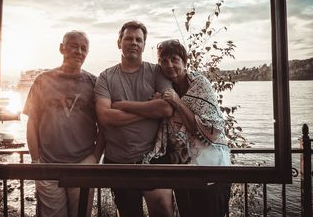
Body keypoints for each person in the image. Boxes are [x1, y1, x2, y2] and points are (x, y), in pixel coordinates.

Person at [94, 21, 174, 217]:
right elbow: (105, 117)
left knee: (163, 211)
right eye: (129, 38)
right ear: (119, 42)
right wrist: (148, 109)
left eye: (139, 40)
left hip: (154, 156)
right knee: (129, 213)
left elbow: (166, 108)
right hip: (118, 161)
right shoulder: (105, 77)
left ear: (144, 45)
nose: (134, 43)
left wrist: (122, 106)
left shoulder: (155, 71)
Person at [146, 39, 231, 217]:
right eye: (164, 61)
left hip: (211, 171)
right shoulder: (166, 89)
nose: (169, 65)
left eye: (174, 59)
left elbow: (205, 130)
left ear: (185, 62)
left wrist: (177, 102)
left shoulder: (200, 85)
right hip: (182, 170)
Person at [23, 30, 103, 217]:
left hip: (83, 164)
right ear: (62, 48)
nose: (79, 52)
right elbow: (32, 122)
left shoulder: (94, 83)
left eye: (84, 48)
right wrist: (36, 161)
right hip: (48, 166)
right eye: (74, 46)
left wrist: (94, 159)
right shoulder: (43, 80)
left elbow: (105, 125)